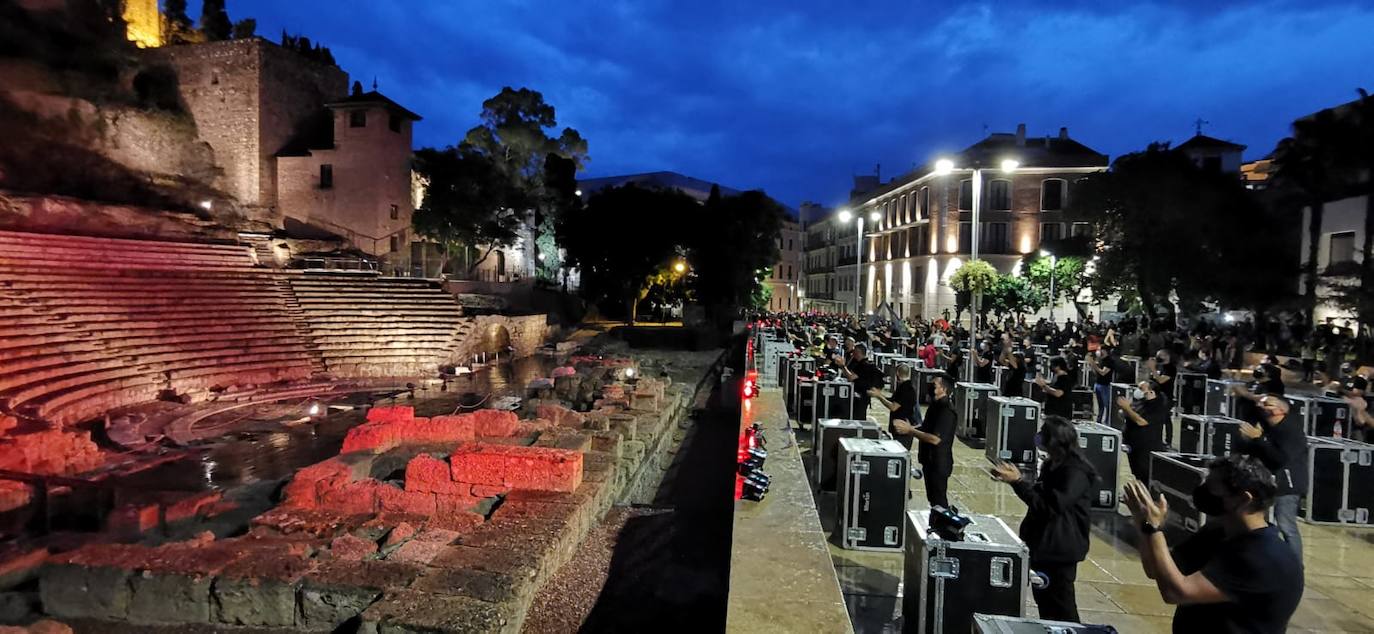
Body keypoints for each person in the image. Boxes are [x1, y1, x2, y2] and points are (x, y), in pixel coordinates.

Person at [1124, 455, 1304, 633]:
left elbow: (1176, 592)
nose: (1204, 492)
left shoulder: (1263, 557)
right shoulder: (1217, 532)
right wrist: (1143, 523)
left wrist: (1153, 529)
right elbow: (1155, 570)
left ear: (1243, 499)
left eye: (1212, 487)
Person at [989, 416, 1095, 623]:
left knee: (1062, 609)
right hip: (1041, 547)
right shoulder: (1051, 465)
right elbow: (1038, 495)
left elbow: (1049, 506)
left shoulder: (1075, 471)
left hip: (1059, 550)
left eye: (1043, 433)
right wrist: (1014, 480)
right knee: (1046, 606)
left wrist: (1019, 482)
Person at [1233, 395, 1307, 561]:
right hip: (1268, 482)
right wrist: (1250, 441)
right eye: (1261, 402)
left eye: (1268, 404)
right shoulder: (1266, 426)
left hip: (1288, 484)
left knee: (1287, 526)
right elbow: (1257, 450)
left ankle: (1296, 565)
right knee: (1261, 522)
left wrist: (1259, 439)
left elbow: (1280, 458)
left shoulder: (1290, 429)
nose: (1262, 405)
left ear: (1281, 410)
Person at [912, 374, 957, 509]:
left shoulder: (947, 410)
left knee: (939, 501)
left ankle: (946, 526)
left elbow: (935, 439)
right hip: (929, 460)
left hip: (939, 462)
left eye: (934, 385)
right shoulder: (935, 405)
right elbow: (926, 428)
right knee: (932, 499)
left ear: (943, 389)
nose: (930, 386)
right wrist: (911, 428)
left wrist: (910, 431)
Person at [1116, 380, 1170, 485]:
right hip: (1134, 446)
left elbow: (1141, 421)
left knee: (1144, 475)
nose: (1138, 391)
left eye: (1141, 389)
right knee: (1136, 473)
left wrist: (1127, 408)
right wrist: (1125, 410)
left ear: (1152, 392)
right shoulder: (1141, 401)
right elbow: (1130, 414)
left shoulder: (1158, 406)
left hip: (1146, 448)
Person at [869, 363, 920, 448]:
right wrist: (880, 394)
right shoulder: (906, 387)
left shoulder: (905, 389)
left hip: (902, 429)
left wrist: (879, 396)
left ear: (897, 374)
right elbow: (893, 401)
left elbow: (893, 407)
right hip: (899, 428)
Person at [837, 342, 886, 420]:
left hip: (860, 396)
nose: (853, 354)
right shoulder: (864, 363)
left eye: (855, 352)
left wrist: (842, 366)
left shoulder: (863, 364)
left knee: (858, 417)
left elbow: (851, 377)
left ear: (859, 352)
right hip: (862, 396)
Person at [1089, 348, 1117, 425]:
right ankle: (1099, 421)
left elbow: (1103, 372)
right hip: (1098, 384)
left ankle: (1106, 422)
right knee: (1100, 405)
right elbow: (1097, 372)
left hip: (1105, 385)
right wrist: (1092, 365)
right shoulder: (1101, 360)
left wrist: (1094, 365)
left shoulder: (1109, 361)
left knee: (1106, 405)